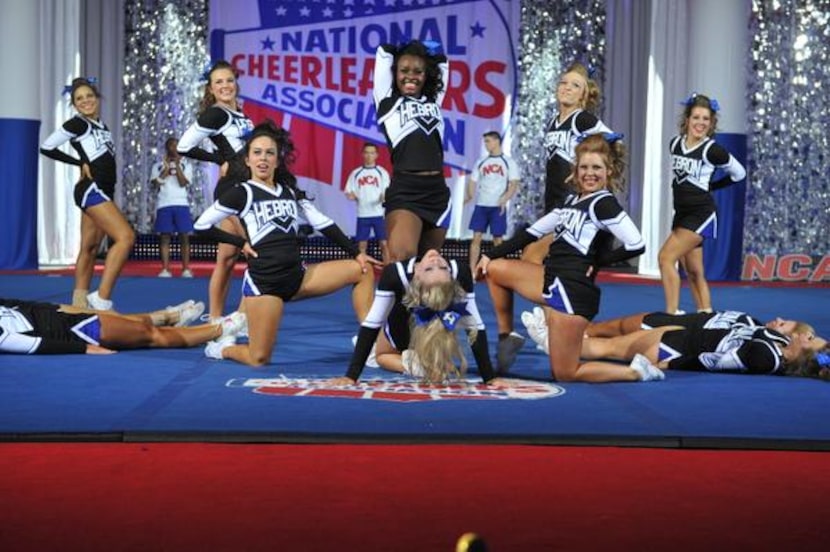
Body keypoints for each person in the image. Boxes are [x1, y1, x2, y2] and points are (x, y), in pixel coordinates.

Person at [193, 121, 380, 367]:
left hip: (298, 277)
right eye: (257, 153)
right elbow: (201, 226)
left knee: (362, 269)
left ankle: (370, 345)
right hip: (266, 285)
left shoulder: (290, 192)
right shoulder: (242, 192)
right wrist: (239, 242)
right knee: (259, 358)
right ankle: (224, 349)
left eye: (269, 153)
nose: (263, 158)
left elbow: (324, 223)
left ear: (277, 161)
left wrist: (356, 252)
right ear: (247, 160)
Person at [476, 134, 647, 382]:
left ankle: (636, 371)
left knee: (565, 373)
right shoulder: (571, 201)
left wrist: (598, 262)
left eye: (597, 168)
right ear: (575, 171)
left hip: (573, 292)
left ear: (608, 171)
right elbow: (531, 233)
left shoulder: (604, 204)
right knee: (495, 269)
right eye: (584, 167)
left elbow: (636, 243)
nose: (590, 173)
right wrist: (488, 255)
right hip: (551, 279)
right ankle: (506, 338)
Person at [326, 249, 510, 386]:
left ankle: (418, 362)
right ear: (416, 274)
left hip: (435, 324)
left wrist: (490, 377)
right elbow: (372, 324)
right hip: (407, 320)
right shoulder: (397, 274)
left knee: (383, 354)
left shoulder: (455, 273)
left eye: (439, 267)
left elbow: (475, 327)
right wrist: (351, 375)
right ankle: (420, 361)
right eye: (432, 268)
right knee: (392, 353)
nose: (436, 259)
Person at [40, 77, 136, 311]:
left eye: (89, 96)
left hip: (103, 190)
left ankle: (79, 304)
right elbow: (47, 146)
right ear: (74, 104)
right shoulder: (78, 124)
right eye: (79, 99)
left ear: (97, 98)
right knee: (126, 237)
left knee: (90, 247)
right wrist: (79, 161)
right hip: (91, 190)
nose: (85, 101)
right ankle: (101, 299)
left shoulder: (101, 125)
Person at [178, 60, 254, 321]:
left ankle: (217, 319)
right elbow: (183, 146)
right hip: (233, 191)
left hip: (244, 188)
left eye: (229, 80)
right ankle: (241, 318)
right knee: (256, 252)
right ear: (210, 88)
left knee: (228, 257)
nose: (225, 86)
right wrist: (219, 160)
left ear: (236, 83)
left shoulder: (240, 113)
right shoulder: (216, 113)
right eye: (218, 82)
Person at [658, 93, 746, 315]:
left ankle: (671, 314)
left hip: (701, 214)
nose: (700, 123)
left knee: (666, 258)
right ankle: (706, 316)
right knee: (694, 272)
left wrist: (713, 187)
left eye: (706, 119)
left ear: (711, 123)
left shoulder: (712, 150)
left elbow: (739, 173)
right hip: (681, 214)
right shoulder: (675, 144)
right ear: (687, 119)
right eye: (696, 117)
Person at [522, 62, 612, 266]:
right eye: (563, 82)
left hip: (570, 199)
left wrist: (587, 170)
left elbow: (614, 142)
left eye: (575, 85)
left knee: (531, 257)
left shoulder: (582, 119)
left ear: (584, 95)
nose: (567, 87)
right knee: (546, 259)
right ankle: (552, 296)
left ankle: (551, 295)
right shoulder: (554, 120)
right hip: (553, 197)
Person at [373, 39, 451, 261]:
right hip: (407, 191)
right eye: (404, 70)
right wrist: (407, 47)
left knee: (428, 263)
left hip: (437, 192)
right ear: (394, 73)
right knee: (402, 258)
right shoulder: (386, 102)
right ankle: (388, 297)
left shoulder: (434, 99)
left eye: (418, 71)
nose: (411, 76)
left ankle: (420, 298)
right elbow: (384, 50)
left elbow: (442, 62)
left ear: (426, 75)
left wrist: (430, 52)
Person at [579, 322, 829, 381]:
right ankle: (559, 341)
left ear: (801, 356)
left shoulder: (765, 359)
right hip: (685, 334)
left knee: (606, 347)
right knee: (607, 345)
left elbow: (713, 361)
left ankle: (560, 346)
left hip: (674, 348)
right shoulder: (779, 341)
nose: (807, 334)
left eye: (811, 340)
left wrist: (670, 364)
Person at [522, 306, 818, 354]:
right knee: (604, 329)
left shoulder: (760, 341)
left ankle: (557, 342)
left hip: (675, 336)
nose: (777, 321)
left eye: (783, 326)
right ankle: (556, 331)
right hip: (671, 321)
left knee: (611, 344)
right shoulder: (752, 322)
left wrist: (815, 345)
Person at [0, 297, 242, 355]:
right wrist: (83, 348)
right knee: (151, 336)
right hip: (76, 330)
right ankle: (222, 330)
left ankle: (169, 317)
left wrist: (53, 307)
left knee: (127, 322)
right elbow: (30, 344)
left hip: (56, 315)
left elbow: (12, 303)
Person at [465, 131, 521, 273]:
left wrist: (505, 198)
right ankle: (472, 270)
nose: (486, 144)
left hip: (497, 206)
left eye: (488, 141)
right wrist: (470, 196)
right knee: (476, 238)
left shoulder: (508, 162)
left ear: (497, 141)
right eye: (485, 141)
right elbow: (472, 181)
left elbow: (514, 183)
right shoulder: (481, 161)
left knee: (498, 240)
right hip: (482, 205)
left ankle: (499, 270)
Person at [151, 137, 195, 278]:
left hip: (181, 204)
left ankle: (186, 269)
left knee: (184, 237)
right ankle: (165, 269)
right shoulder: (157, 166)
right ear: (167, 148)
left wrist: (177, 167)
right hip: (164, 204)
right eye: (171, 146)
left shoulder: (187, 165)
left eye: (176, 146)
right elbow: (155, 185)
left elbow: (183, 183)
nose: (174, 149)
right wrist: (165, 170)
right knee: (165, 237)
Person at [343, 142, 391, 263]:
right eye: (367, 153)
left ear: (376, 155)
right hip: (363, 215)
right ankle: (362, 271)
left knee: (384, 244)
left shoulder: (382, 172)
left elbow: (387, 191)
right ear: (362, 154)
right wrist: (351, 195)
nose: (369, 155)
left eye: (372, 153)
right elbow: (348, 191)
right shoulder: (356, 173)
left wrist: (384, 196)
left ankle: (389, 270)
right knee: (361, 247)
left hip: (379, 214)